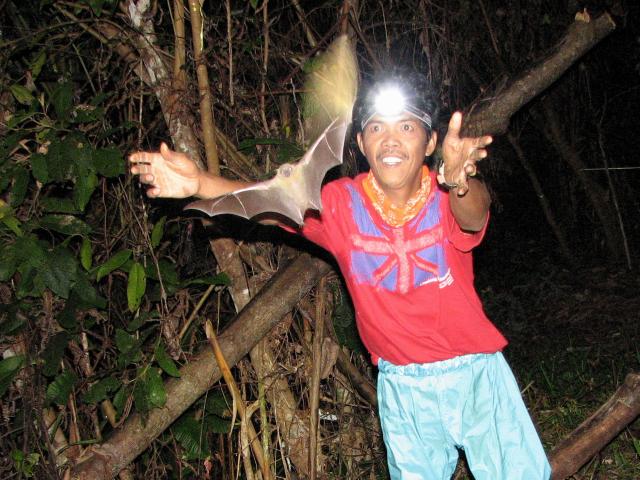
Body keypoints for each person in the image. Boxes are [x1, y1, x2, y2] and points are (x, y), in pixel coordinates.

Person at [130, 70, 551, 480]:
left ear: (430, 143)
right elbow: (271, 204)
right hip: (402, 386)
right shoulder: (340, 205)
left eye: (407, 126)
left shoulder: (445, 195)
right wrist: (199, 181)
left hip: (474, 372)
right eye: (376, 127)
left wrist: (460, 180)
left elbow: (475, 216)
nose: (391, 139)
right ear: (362, 143)